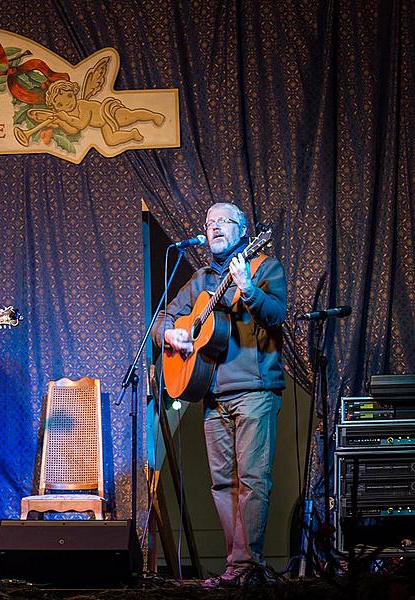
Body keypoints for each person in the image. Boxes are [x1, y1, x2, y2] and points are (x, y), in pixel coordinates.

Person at [152, 203, 286, 587]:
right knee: (223, 484)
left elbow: (277, 314)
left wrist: (247, 289)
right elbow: (162, 318)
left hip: (254, 391)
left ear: (243, 230)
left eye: (221, 222)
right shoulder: (201, 278)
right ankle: (235, 567)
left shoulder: (263, 267)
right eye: (208, 223)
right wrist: (171, 334)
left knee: (253, 480)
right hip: (211, 394)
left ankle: (246, 565)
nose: (213, 229)